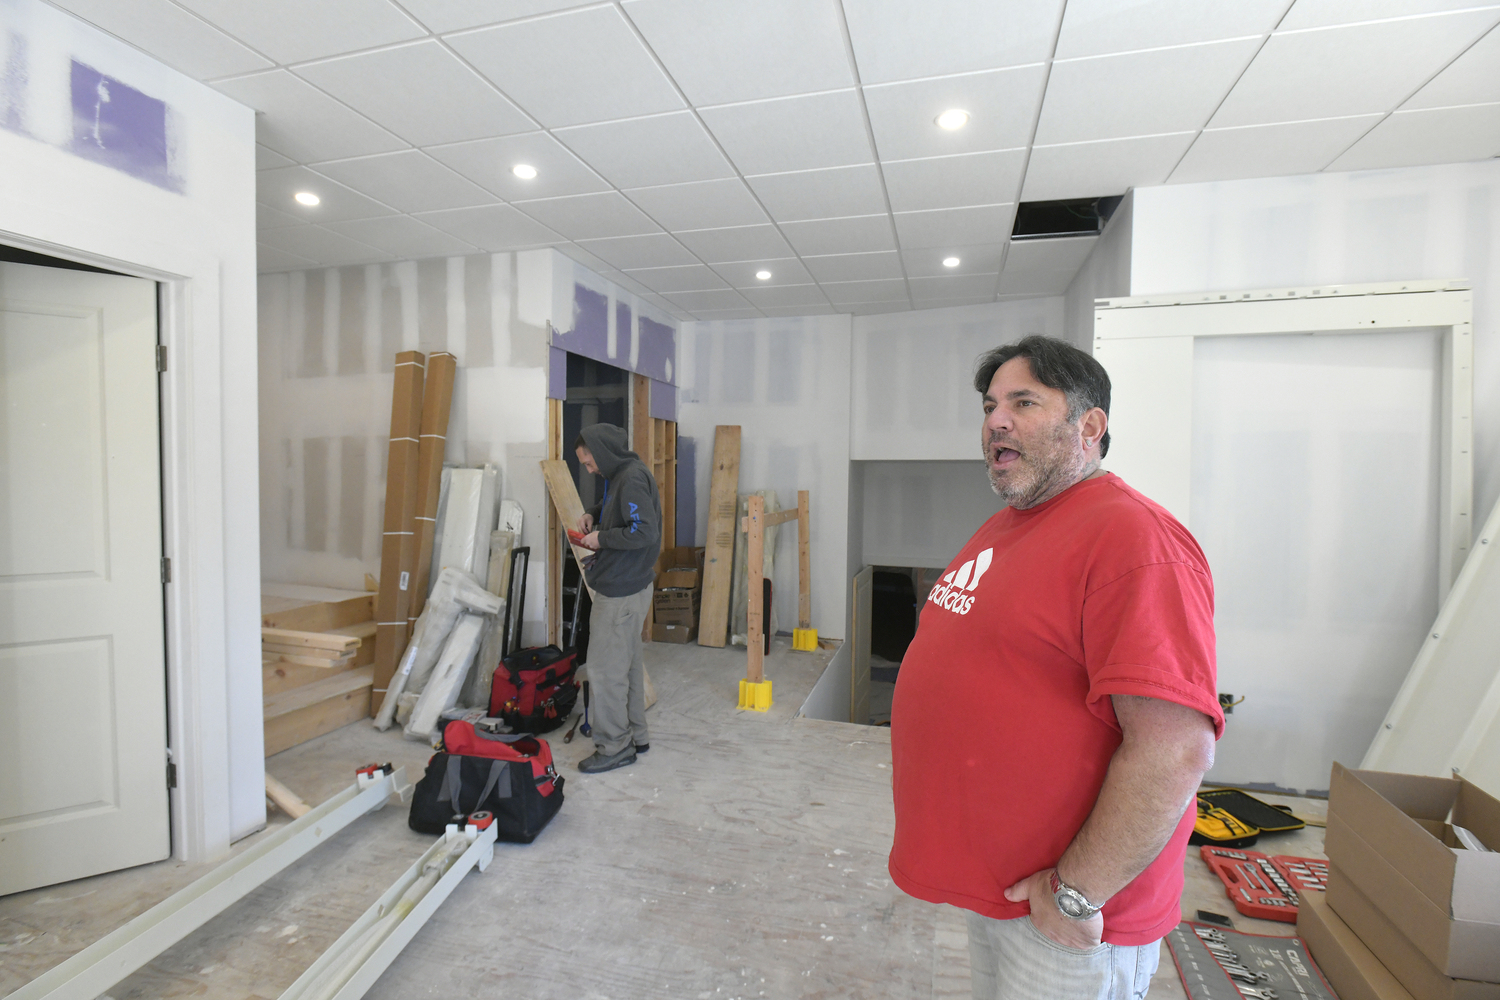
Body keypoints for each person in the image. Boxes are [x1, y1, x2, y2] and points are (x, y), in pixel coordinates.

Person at [888, 336, 1223, 1000]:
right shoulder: (1008, 526)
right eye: (989, 406)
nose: (995, 421)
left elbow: (1176, 748)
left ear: (1088, 426)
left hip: (1070, 916)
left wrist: (1074, 894)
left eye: (1023, 402)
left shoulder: (1133, 539)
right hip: (1004, 892)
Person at [572, 423, 662, 774]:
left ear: (605, 453)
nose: (590, 469)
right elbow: (622, 507)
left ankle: (614, 746)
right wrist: (594, 511)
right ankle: (635, 736)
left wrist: (601, 539)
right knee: (627, 665)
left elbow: (644, 531)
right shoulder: (624, 474)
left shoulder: (630, 479)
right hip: (632, 587)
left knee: (605, 672)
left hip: (620, 593)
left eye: (590, 462)